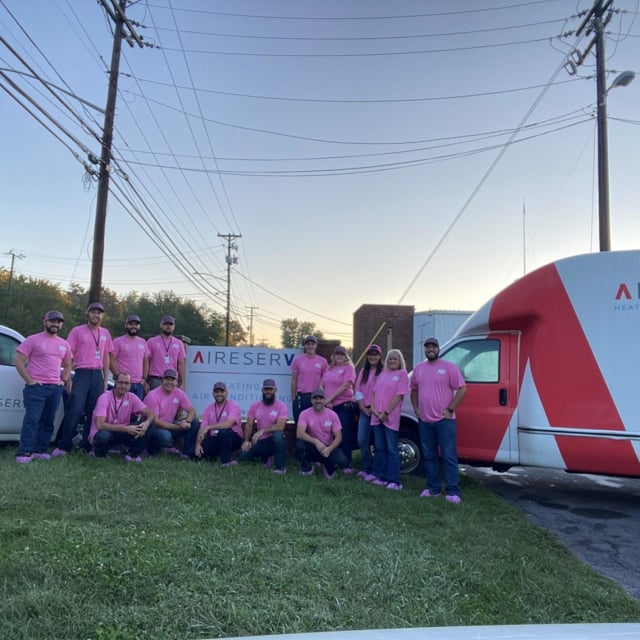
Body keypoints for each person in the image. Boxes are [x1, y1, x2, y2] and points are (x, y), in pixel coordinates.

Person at [411, 337, 467, 504]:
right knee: (429, 455)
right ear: (424, 349)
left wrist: (450, 409)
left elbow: (462, 389)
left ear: (438, 349)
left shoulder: (449, 367)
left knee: (449, 456)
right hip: (425, 421)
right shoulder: (418, 369)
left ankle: (452, 491)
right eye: (427, 347)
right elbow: (413, 390)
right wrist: (416, 409)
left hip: (444, 421)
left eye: (433, 346)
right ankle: (433, 489)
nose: (430, 349)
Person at [53, 302, 113, 456]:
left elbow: (106, 356)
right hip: (82, 373)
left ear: (102, 316)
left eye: (99, 313)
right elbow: (68, 355)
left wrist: (105, 379)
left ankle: (88, 446)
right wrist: (70, 379)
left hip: (97, 374)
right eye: (93, 312)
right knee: (75, 410)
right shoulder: (77, 331)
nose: (96, 315)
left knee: (94, 412)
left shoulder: (105, 333)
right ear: (88, 313)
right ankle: (63, 446)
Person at [14, 310, 72, 463]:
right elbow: (18, 360)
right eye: (52, 321)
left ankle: (40, 450)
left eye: (58, 322)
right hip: (36, 387)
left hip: (55, 388)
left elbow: (67, 365)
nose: (55, 324)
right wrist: (29, 380)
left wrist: (64, 381)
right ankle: (24, 452)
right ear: (45, 321)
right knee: (32, 420)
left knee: (48, 421)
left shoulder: (64, 344)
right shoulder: (33, 340)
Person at [368, 348, 410, 491]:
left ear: (400, 361)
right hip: (376, 417)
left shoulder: (402, 374)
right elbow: (373, 393)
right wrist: (373, 409)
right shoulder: (382, 374)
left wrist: (386, 413)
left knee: (391, 449)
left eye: (395, 359)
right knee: (379, 448)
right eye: (390, 358)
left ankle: (394, 480)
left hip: (389, 417)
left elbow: (399, 395)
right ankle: (381, 477)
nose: (392, 361)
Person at [89, 372, 154, 462]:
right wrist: (126, 429)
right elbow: (100, 425)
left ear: (130, 385)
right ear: (115, 382)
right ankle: (98, 453)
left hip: (121, 431)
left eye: (126, 383)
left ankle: (132, 454)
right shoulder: (104, 398)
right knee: (103, 436)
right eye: (120, 382)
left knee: (151, 422)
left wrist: (146, 424)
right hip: (105, 432)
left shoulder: (131, 397)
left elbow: (150, 413)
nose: (123, 386)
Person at [295, 388, 350, 479]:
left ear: (325, 400)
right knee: (299, 445)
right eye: (315, 398)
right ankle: (307, 468)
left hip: (327, 447)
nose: (318, 401)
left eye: (320, 398)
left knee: (342, 460)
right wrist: (316, 442)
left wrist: (329, 449)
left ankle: (327, 465)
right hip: (312, 446)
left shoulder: (332, 415)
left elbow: (339, 437)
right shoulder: (304, 414)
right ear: (311, 400)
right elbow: (299, 433)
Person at [143, 368, 199, 457]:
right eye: (167, 379)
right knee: (166, 436)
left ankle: (187, 454)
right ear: (162, 380)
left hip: (169, 425)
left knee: (194, 421)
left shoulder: (179, 393)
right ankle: (150, 450)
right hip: (153, 429)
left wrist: (187, 422)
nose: (169, 382)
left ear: (176, 382)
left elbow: (192, 411)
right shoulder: (153, 396)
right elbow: (155, 421)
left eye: (172, 380)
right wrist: (177, 427)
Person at [239, 378, 288, 474]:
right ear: (262, 390)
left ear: (275, 390)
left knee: (278, 435)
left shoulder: (281, 406)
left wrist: (262, 431)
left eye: (270, 389)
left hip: (274, 440)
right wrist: (246, 441)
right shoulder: (255, 406)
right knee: (243, 455)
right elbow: (249, 425)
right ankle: (267, 457)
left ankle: (280, 467)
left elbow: (280, 426)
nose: (268, 392)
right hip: (261, 440)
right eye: (266, 389)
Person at [321, 345, 357, 471]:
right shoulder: (330, 368)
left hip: (343, 406)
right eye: (337, 354)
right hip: (329, 406)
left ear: (346, 356)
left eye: (342, 354)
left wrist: (330, 399)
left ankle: (346, 464)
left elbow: (346, 385)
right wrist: (325, 399)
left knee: (344, 434)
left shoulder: (349, 368)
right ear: (334, 355)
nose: (339, 356)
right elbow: (322, 384)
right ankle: (332, 460)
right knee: (330, 434)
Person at [195, 381, 243, 466]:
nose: (219, 394)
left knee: (223, 432)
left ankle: (226, 461)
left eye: (222, 391)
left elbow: (228, 424)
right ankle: (214, 456)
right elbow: (202, 429)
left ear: (226, 392)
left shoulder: (233, 405)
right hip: (216, 438)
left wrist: (209, 428)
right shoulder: (208, 409)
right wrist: (198, 445)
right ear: (213, 393)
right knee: (199, 453)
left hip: (233, 438)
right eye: (216, 392)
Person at [354, 344, 384, 479]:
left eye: (375, 354)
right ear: (367, 356)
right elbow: (358, 390)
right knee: (362, 440)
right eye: (370, 354)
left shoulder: (384, 371)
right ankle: (367, 468)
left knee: (378, 443)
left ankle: (377, 470)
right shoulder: (363, 371)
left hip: (378, 412)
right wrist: (361, 407)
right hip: (365, 411)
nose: (373, 357)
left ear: (380, 356)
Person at [290, 335, 328, 426]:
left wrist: (325, 396)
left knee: (316, 423)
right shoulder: (298, 360)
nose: (310, 346)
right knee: (300, 423)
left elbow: (325, 381)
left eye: (312, 344)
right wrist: (293, 397)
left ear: (316, 346)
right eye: (308, 344)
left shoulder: (323, 361)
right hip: (301, 396)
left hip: (317, 397)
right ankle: (300, 440)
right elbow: (294, 379)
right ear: (305, 346)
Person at [110, 314, 150, 399]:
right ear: (126, 325)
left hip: (138, 384)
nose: (134, 326)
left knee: (136, 411)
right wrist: (118, 376)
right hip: (123, 384)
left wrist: (144, 379)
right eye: (131, 324)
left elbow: (145, 361)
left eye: (136, 324)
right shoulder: (118, 341)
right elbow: (111, 361)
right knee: (120, 409)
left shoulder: (143, 342)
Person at [147, 315, 186, 390]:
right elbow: (146, 361)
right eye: (166, 324)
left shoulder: (179, 343)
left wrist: (183, 383)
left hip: (172, 380)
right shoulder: (151, 341)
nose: (168, 326)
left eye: (171, 324)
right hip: (156, 379)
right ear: (161, 325)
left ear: (174, 326)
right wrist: (145, 380)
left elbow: (181, 364)